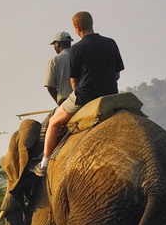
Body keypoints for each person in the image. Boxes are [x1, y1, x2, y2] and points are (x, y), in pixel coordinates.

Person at [35, 11, 124, 176]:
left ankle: (44, 163)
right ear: (91, 23)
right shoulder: (111, 43)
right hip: (111, 96)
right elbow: (117, 74)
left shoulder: (76, 49)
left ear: (77, 28)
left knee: (54, 122)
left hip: (84, 97)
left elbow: (74, 82)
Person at [44, 31, 73, 105]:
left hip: (66, 101)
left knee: (50, 117)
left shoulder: (55, 60)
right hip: (84, 100)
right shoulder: (79, 56)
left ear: (58, 44)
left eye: (54, 44)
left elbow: (50, 86)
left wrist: (60, 104)